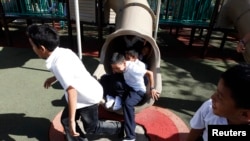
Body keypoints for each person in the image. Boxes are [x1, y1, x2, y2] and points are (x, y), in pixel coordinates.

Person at [26, 24, 122, 141]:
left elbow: (72, 92)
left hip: (87, 98)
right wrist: (53, 78)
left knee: (91, 127)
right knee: (65, 120)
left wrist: (72, 121)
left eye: (32, 46)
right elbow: (69, 72)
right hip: (87, 90)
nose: (32, 48)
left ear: (42, 48)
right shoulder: (63, 52)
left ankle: (120, 128)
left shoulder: (57, 64)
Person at [101, 52, 159, 141]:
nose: (115, 70)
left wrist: (152, 88)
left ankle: (131, 136)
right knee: (105, 78)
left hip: (138, 91)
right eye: (113, 68)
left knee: (127, 104)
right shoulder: (120, 67)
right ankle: (113, 97)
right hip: (128, 87)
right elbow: (116, 72)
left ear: (124, 63)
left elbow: (150, 73)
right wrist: (115, 72)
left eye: (117, 68)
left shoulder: (134, 68)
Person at [186, 64, 250, 141]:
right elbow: (195, 131)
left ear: (244, 114)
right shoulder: (209, 108)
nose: (212, 97)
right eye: (217, 91)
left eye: (220, 97)